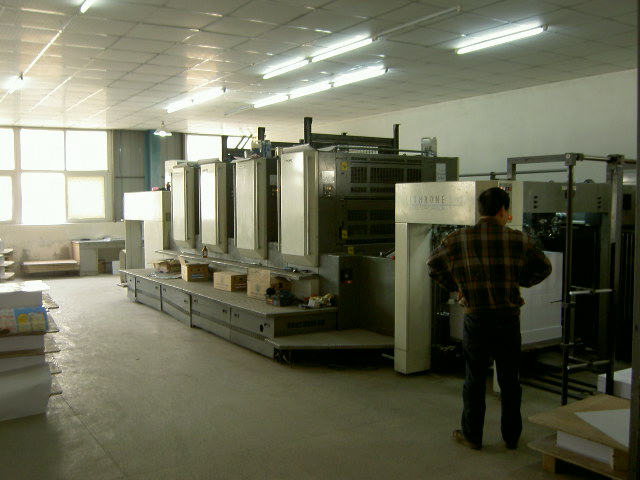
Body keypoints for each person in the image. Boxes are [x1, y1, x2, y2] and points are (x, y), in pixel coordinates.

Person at [427, 187, 552, 450]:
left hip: (476, 317)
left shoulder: (457, 239)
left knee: (474, 378)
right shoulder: (518, 240)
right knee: (509, 380)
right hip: (508, 318)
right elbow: (544, 267)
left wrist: (457, 287)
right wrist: (520, 281)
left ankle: (472, 435)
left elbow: (433, 265)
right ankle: (511, 436)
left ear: (480, 210)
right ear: (502, 211)